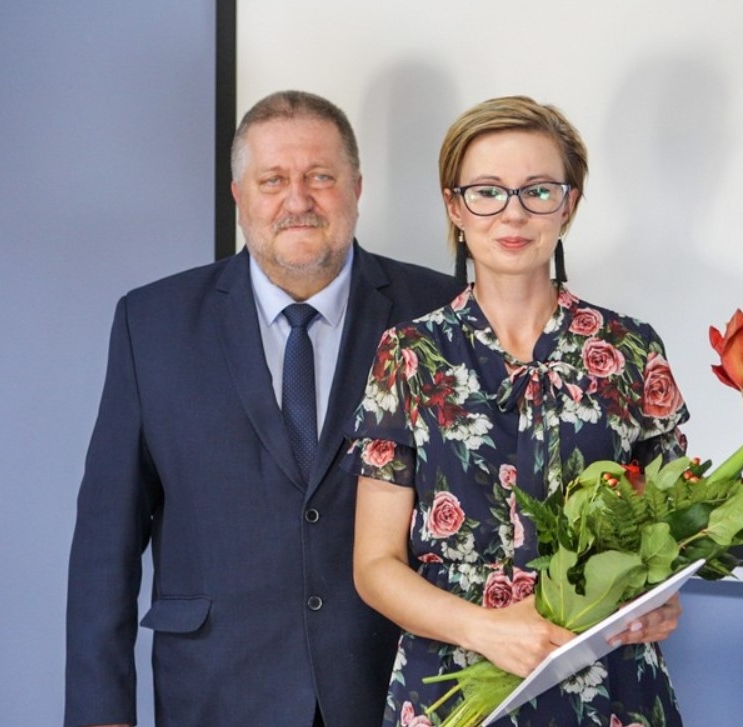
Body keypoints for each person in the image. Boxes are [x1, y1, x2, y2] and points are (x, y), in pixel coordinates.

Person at [64, 90, 461, 727]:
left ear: (357, 189)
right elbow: (103, 545)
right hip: (216, 692)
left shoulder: (440, 312)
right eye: (272, 180)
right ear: (238, 195)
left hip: (396, 690)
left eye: (320, 177)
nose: (297, 201)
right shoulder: (153, 324)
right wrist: (100, 716)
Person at [350, 96, 690, 726]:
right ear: (455, 207)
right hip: (454, 681)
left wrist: (661, 603)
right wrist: (485, 630)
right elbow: (374, 566)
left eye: (537, 191)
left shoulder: (631, 349)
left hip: (607, 679)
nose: (513, 213)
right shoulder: (409, 354)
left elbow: (667, 536)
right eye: (487, 191)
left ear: (569, 204)